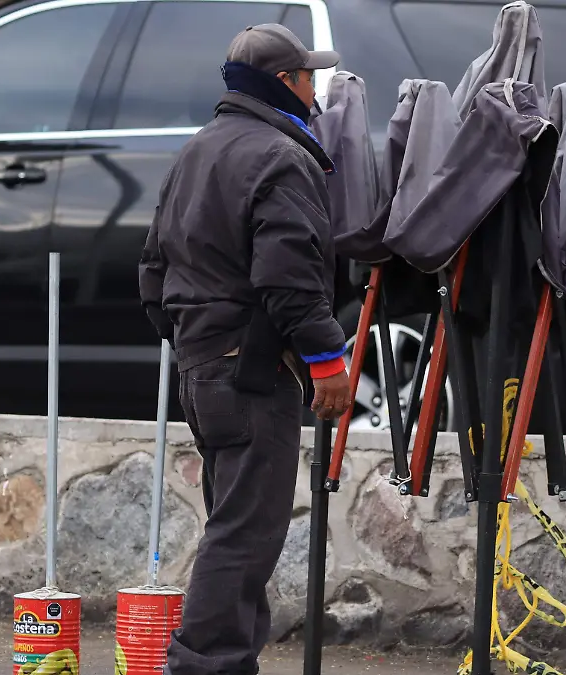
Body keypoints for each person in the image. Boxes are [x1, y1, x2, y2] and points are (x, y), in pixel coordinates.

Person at [138, 22, 353, 675]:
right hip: (252, 371)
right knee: (245, 534)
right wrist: (326, 360)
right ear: (284, 82)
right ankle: (206, 665)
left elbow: (152, 274)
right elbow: (289, 282)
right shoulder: (280, 157)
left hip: (204, 370)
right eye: (308, 75)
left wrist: (198, 341)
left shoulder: (196, 151)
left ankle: (223, 661)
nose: (316, 88)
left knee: (233, 526)